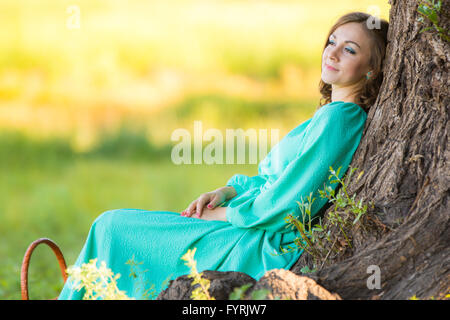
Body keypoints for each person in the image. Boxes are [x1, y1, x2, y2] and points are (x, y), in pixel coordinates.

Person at [58, 12, 389, 300]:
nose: (332, 53)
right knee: (113, 228)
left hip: (259, 241)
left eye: (350, 49)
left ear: (372, 69)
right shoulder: (329, 115)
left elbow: (288, 205)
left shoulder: (339, 120)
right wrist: (227, 193)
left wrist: (224, 215)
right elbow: (271, 180)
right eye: (332, 41)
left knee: (111, 227)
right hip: (249, 222)